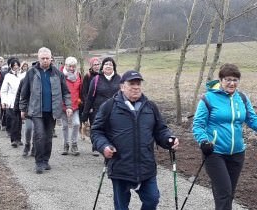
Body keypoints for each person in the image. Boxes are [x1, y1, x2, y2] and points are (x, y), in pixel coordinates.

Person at [91, 70, 179, 210]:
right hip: (120, 166)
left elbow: (160, 130)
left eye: (138, 83)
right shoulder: (109, 106)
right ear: (122, 86)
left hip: (146, 166)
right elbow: (96, 131)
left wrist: (169, 139)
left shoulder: (150, 107)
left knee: (152, 199)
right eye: (131, 84)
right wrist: (104, 146)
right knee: (121, 206)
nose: (136, 87)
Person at [193, 63, 257, 210]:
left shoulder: (242, 98)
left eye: (235, 80)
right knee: (224, 192)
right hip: (215, 153)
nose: (232, 83)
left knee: (228, 194)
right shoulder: (208, 98)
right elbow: (198, 125)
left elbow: (252, 120)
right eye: (228, 79)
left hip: (237, 153)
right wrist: (203, 141)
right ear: (221, 80)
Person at [19, 47, 72, 174]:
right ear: (38, 59)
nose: (45, 60)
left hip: (52, 111)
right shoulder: (31, 73)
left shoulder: (57, 73)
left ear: (51, 58)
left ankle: (45, 160)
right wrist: (22, 108)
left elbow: (66, 92)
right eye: (43, 58)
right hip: (36, 111)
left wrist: (69, 106)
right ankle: (38, 162)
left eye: (47, 58)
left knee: (48, 137)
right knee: (39, 136)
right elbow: (24, 92)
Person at [81, 57, 121, 156]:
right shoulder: (96, 79)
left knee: (113, 133)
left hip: (115, 111)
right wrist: (85, 115)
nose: (108, 66)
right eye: (106, 64)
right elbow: (90, 97)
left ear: (114, 67)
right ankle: (102, 149)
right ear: (102, 67)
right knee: (100, 132)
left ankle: (112, 152)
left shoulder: (119, 79)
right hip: (99, 112)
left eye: (111, 64)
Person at [60, 57, 82, 156]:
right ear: (65, 65)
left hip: (75, 104)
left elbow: (80, 89)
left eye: (74, 66)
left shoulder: (78, 75)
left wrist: (80, 99)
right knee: (64, 126)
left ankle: (74, 143)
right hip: (63, 104)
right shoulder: (60, 75)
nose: (72, 68)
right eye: (70, 66)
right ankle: (66, 144)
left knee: (76, 124)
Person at [0, 59, 24, 147]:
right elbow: (3, 90)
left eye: (17, 65)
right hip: (11, 101)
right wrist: (4, 101)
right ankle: (13, 139)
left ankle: (19, 138)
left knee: (20, 121)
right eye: (14, 66)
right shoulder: (8, 76)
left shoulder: (22, 75)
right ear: (11, 67)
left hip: (21, 101)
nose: (16, 67)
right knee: (14, 120)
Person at [18, 61, 35, 156]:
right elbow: (22, 95)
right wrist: (22, 109)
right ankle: (27, 144)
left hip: (39, 110)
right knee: (28, 128)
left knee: (37, 130)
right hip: (29, 109)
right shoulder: (24, 81)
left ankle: (35, 147)